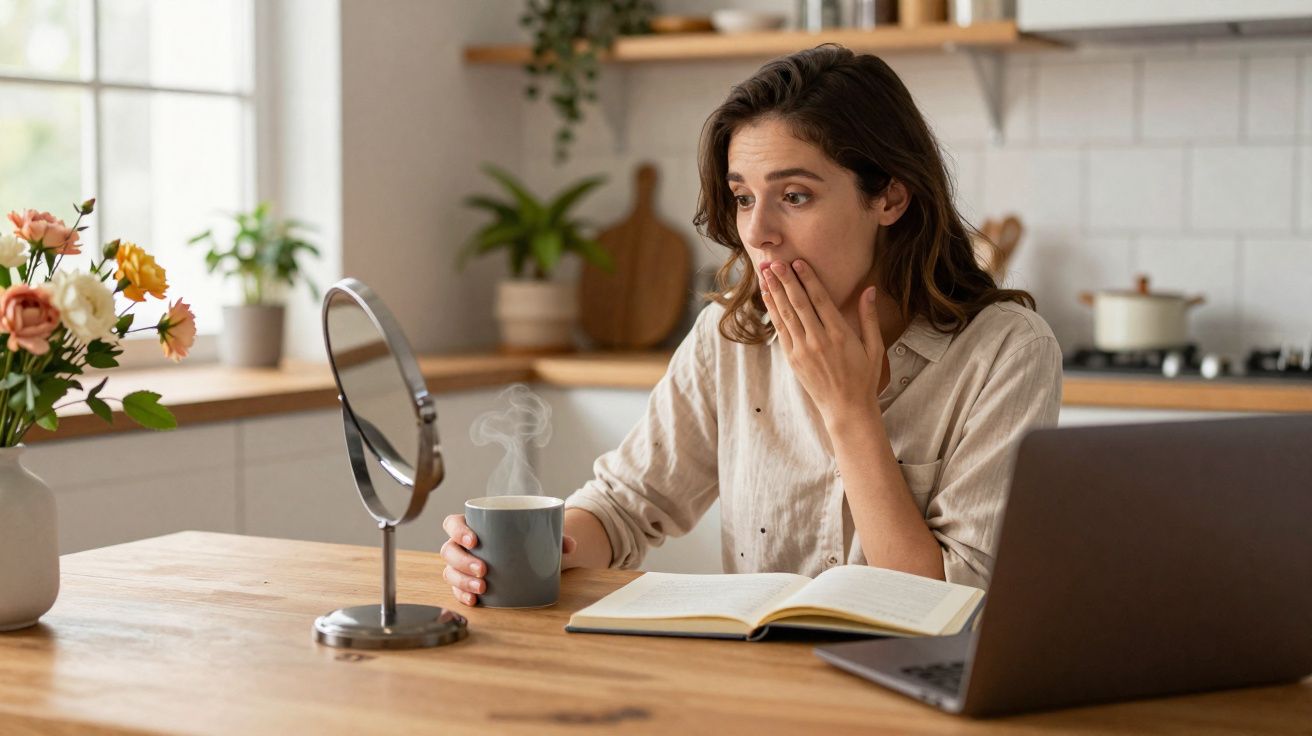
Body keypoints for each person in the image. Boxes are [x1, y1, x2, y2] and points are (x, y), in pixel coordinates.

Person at [441, 44, 1062, 606]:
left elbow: (956, 604)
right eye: (743, 197)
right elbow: (627, 505)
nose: (757, 232)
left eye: (794, 196)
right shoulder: (729, 335)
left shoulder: (1007, 351)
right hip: (758, 688)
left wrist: (849, 411)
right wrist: (529, 552)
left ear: (889, 199)